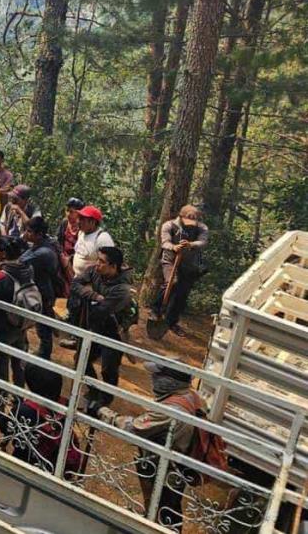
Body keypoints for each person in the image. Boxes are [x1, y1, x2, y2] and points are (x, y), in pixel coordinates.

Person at [97, 359, 220, 529]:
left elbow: (134, 427)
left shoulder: (170, 410)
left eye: (158, 375)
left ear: (171, 381)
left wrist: (105, 413)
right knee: (169, 508)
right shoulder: (192, 396)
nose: (153, 378)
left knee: (164, 508)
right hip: (181, 464)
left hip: (166, 468)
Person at [72, 246, 131, 410]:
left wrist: (90, 298)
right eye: (98, 260)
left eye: (102, 262)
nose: (97, 264)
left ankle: (105, 400)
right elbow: (75, 284)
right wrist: (93, 295)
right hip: (94, 327)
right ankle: (93, 390)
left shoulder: (123, 290)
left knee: (108, 369)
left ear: (114, 266)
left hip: (114, 332)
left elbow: (101, 311)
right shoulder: (94, 271)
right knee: (81, 361)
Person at [4, 362, 84, 477]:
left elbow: (5, 427)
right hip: (58, 469)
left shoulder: (25, 410)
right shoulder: (66, 406)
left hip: (26, 466)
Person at [0, 235, 34, 389]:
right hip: (21, 325)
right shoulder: (27, 270)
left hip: (1, 328)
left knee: (0, 370)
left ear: (3, 253)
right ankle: (18, 399)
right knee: (18, 366)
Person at [155, 205, 210, 337]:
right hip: (170, 261)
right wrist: (174, 247)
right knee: (172, 283)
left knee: (182, 294)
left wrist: (191, 244)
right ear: (180, 217)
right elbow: (165, 243)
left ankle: (171, 322)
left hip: (189, 265)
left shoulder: (202, 228)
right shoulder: (169, 226)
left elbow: (203, 241)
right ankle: (155, 309)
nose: (190, 225)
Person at [20, 216, 61, 359]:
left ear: (39, 234)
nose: (26, 233)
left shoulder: (43, 252)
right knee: (42, 322)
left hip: (43, 293)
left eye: (29, 231)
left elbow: (21, 261)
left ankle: (44, 355)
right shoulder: (45, 243)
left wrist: (21, 241)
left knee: (42, 326)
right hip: (41, 290)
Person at [72, 205, 113, 279]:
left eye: (82, 219)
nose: (78, 221)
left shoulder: (103, 238)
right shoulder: (81, 233)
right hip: (78, 279)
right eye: (79, 218)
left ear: (93, 222)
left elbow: (109, 265)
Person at [56, 197, 85, 283]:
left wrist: (69, 259)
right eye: (67, 211)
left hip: (75, 260)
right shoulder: (64, 223)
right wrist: (61, 255)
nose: (68, 214)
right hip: (62, 256)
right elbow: (58, 241)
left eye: (72, 212)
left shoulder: (83, 227)